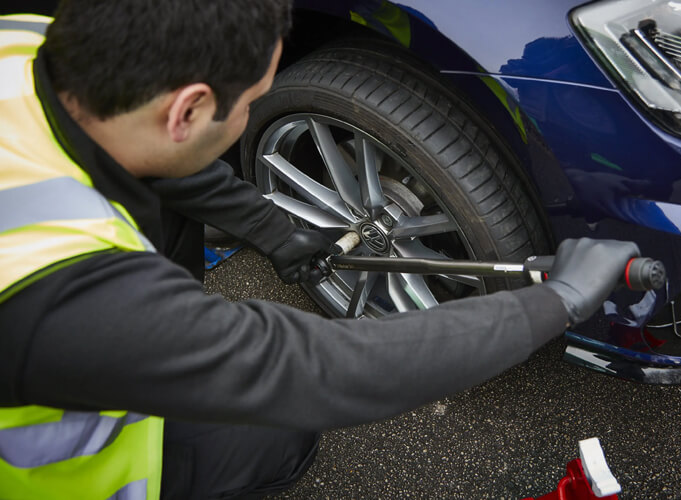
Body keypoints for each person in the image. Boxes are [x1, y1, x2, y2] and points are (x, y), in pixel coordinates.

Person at [0, 1, 641, 499]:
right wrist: (556, 301)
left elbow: (155, 157)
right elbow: (317, 368)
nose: (253, 120)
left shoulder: (26, 41)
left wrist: (277, 231)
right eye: (251, 104)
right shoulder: (69, 297)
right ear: (187, 110)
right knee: (281, 432)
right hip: (57, 473)